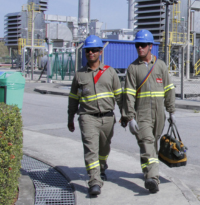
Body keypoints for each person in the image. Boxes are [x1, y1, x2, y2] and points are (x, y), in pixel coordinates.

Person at [121, 30, 175, 194]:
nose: (139, 48)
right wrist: (130, 117)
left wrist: (171, 111)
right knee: (147, 142)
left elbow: (169, 89)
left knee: (153, 144)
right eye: (137, 45)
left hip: (159, 114)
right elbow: (129, 94)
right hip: (142, 113)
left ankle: (149, 174)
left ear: (150, 46)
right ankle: (153, 178)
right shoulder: (133, 68)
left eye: (143, 45)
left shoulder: (160, 66)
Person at [68, 35, 122, 196]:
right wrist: (70, 118)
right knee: (91, 149)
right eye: (87, 50)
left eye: (94, 50)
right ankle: (94, 181)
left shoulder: (110, 72)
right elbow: (73, 99)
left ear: (100, 51)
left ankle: (102, 166)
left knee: (104, 149)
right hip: (87, 117)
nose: (90, 53)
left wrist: (126, 115)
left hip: (107, 118)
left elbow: (119, 96)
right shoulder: (79, 75)